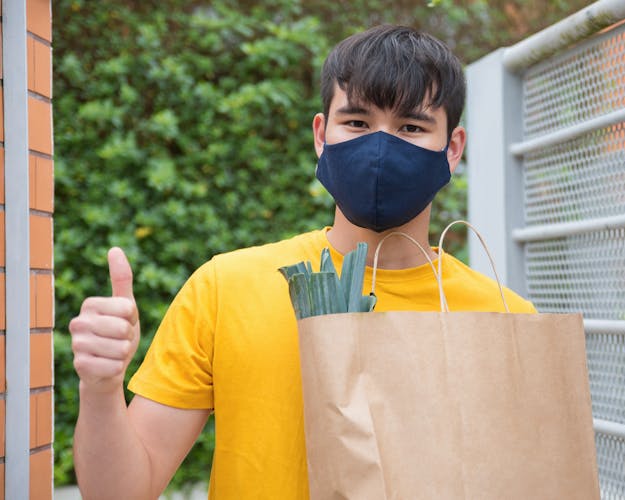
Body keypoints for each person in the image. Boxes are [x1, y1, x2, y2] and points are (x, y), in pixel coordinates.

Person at [69, 24, 536, 499]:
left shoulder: (506, 324)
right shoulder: (226, 289)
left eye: (410, 127)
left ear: (452, 149)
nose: (380, 147)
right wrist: (102, 388)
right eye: (357, 122)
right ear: (321, 134)